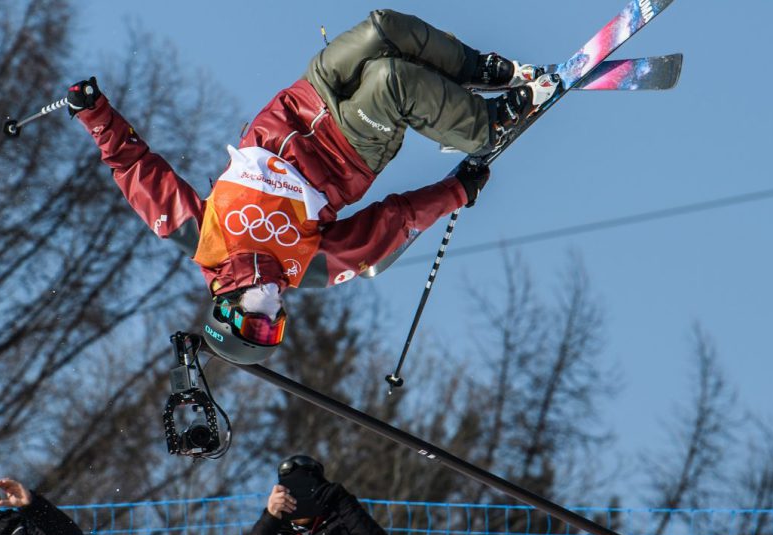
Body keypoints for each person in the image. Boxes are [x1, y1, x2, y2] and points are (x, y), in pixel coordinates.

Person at [69, 9, 556, 365]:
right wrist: (455, 192)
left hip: (303, 102)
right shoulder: (306, 267)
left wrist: (94, 113)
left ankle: (479, 70)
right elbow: (387, 230)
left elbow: (134, 166)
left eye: (259, 321)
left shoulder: (201, 237)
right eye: (275, 324)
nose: (274, 310)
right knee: (390, 81)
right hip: (347, 151)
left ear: (226, 309)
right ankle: (483, 126)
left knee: (383, 31)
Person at [226, 455, 399, 535]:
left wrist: (344, 503)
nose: (299, 499)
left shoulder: (344, 531)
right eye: (292, 492)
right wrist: (270, 517)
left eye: (306, 491)